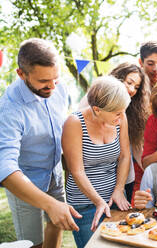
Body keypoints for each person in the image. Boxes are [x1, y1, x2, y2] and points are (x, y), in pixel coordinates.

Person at [0, 38, 81, 248]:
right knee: (32, 243)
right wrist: (49, 204)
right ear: (21, 74)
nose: (52, 86)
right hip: (25, 179)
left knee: (57, 223)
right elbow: (5, 168)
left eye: (56, 78)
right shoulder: (9, 110)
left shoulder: (59, 89)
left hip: (54, 172)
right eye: (44, 81)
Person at [62, 76, 132, 247]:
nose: (122, 116)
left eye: (123, 111)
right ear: (97, 109)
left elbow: (124, 156)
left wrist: (119, 189)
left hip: (113, 200)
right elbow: (76, 170)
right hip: (84, 204)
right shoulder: (74, 122)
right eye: (117, 112)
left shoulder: (119, 118)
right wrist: (98, 201)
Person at [79, 62, 150, 202]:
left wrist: (150, 170)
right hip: (94, 180)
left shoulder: (130, 110)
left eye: (136, 87)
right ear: (117, 78)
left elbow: (135, 146)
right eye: (129, 82)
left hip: (123, 177)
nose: (131, 89)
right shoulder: (92, 101)